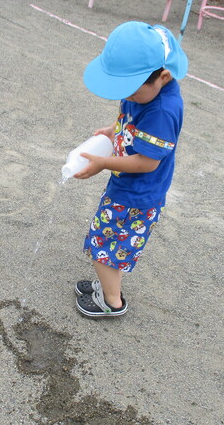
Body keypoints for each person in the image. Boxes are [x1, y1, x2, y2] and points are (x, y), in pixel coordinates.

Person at [74, 21, 188, 319]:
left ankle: (111, 301)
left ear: (163, 76)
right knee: (112, 245)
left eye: (133, 91)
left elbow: (147, 162)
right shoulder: (142, 92)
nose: (128, 96)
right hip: (126, 189)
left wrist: (103, 163)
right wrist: (113, 130)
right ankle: (108, 288)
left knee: (103, 247)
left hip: (136, 197)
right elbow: (128, 114)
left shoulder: (162, 111)